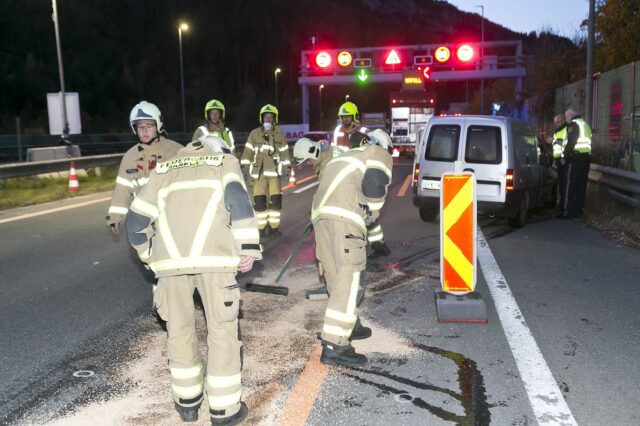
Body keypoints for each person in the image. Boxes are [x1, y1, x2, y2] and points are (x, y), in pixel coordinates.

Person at [126, 134, 261, 425]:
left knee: (179, 331)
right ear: (221, 147)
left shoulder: (163, 169)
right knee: (222, 332)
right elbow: (238, 200)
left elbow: (135, 223)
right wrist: (247, 247)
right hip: (215, 262)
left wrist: (150, 256)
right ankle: (224, 410)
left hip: (170, 266)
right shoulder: (224, 161)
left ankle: (187, 404)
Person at [311, 129, 393, 367]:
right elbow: (375, 185)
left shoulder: (344, 156)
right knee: (350, 279)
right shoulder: (378, 153)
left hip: (321, 220)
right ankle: (335, 345)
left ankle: (351, 324)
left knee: (336, 277)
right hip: (345, 221)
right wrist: (371, 212)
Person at [106, 101, 183, 235]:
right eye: (140, 127)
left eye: (149, 126)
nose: (144, 131)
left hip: (173, 217)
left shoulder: (176, 151)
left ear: (158, 126)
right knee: (141, 254)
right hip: (142, 219)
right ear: (135, 129)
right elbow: (122, 189)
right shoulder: (130, 157)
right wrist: (115, 217)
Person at [240, 104, 291, 237]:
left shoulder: (280, 135)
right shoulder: (254, 134)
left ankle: (274, 228)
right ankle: (261, 229)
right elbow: (247, 153)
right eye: (266, 117)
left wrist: (287, 168)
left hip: (275, 175)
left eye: (271, 117)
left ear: (275, 119)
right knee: (260, 204)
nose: (268, 119)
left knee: (275, 204)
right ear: (262, 118)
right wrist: (244, 169)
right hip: (259, 176)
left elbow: (285, 153)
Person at [559, 108, 592, 219]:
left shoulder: (574, 124)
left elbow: (571, 141)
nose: (566, 120)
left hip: (575, 158)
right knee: (581, 186)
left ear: (570, 116)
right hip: (586, 158)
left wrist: (564, 155)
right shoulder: (585, 124)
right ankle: (578, 212)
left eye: (566, 117)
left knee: (570, 185)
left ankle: (567, 212)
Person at [551, 114, 568, 213]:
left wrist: (562, 157)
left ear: (562, 121)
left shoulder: (565, 130)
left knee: (563, 186)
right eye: (555, 123)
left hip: (563, 161)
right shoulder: (558, 131)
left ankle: (563, 207)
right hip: (558, 162)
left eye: (557, 122)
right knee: (561, 185)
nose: (555, 124)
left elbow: (565, 144)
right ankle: (561, 205)